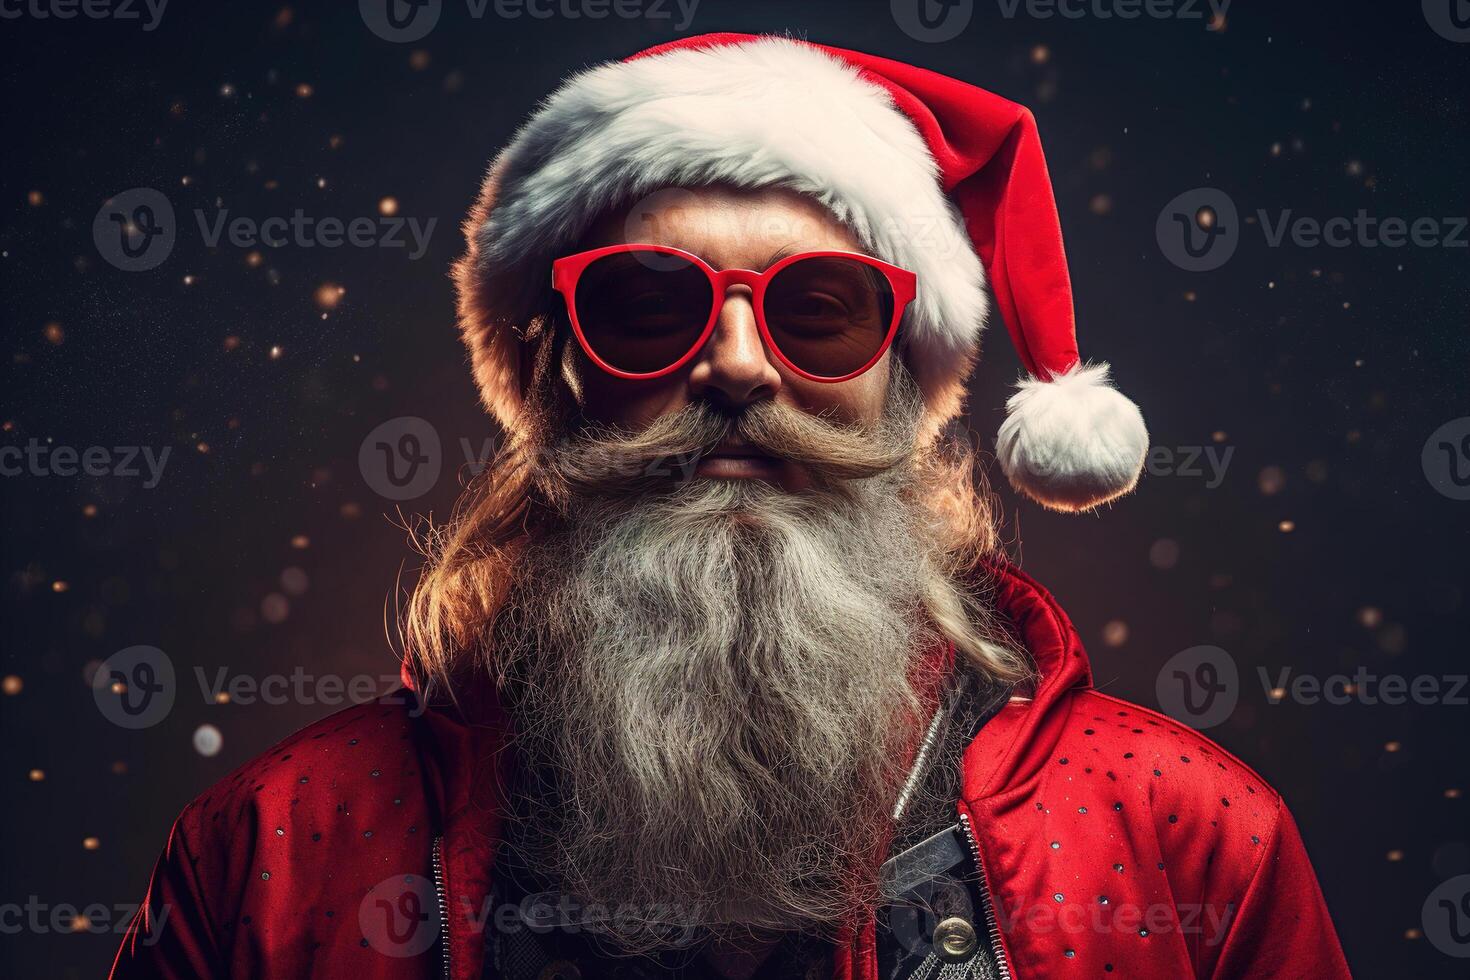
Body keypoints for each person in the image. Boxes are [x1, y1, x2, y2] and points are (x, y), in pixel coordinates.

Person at [112, 33, 1351, 979]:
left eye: (820, 309)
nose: (741, 367)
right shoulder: (272, 848)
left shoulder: (1188, 834)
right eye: (651, 305)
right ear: (553, 377)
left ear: (905, 382)